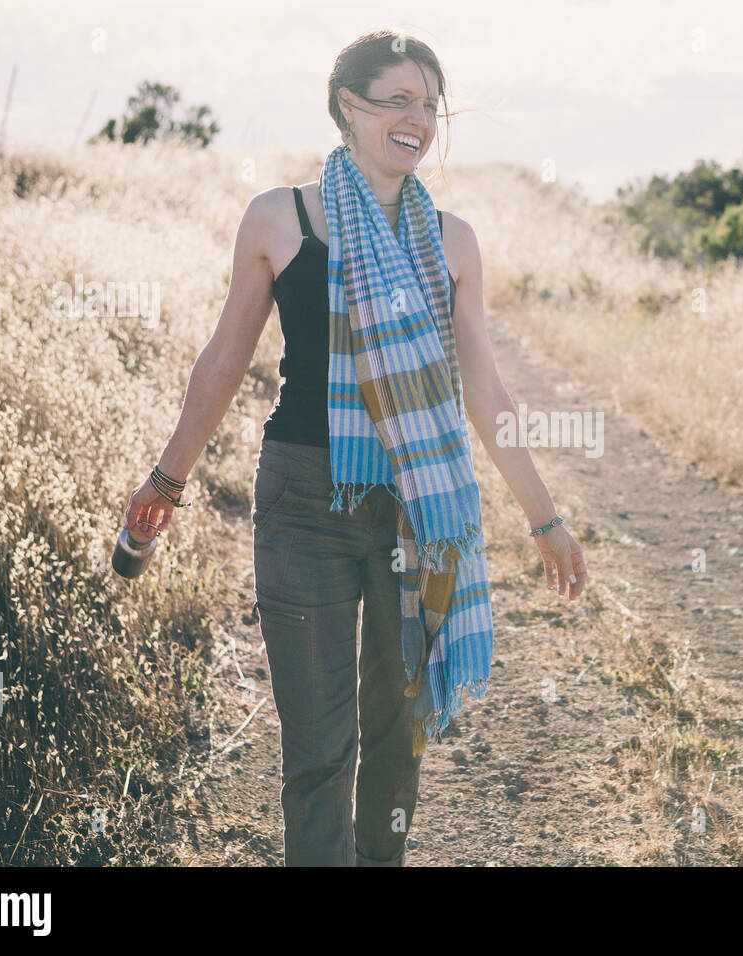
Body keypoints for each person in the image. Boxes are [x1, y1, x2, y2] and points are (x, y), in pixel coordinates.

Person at [121, 30, 586, 866]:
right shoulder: (280, 218)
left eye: (430, 106)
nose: (418, 120)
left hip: (417, 513)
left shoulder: (452, 240)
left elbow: (485, 393)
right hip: (305, 501)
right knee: (319, 750)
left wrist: (545, 519)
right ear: (348, 105)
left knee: (398, 740)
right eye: (398, 99)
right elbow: (225, 361)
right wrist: (168, 478)